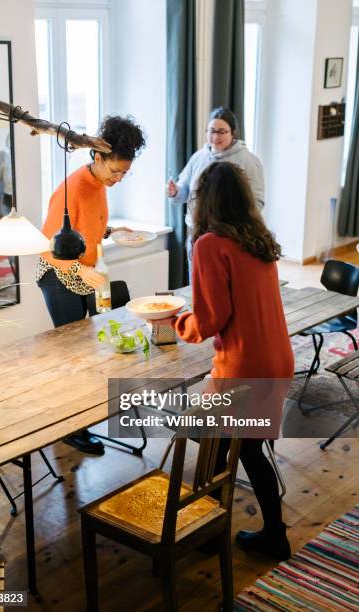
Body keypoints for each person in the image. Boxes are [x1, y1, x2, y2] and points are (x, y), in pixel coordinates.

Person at [155, 161, 294, 561]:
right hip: (277, 358)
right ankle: (258, 533)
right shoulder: (258, 238)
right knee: (243, 448)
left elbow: (212, 319)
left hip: (244, 365)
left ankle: (212, 530)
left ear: (205, 201)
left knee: (218, 440)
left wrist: (176, 320)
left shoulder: (210, 244)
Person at [37, 115, 146, 455]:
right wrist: (77, 270)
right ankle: (71, 428)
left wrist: (114, 232)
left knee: (94, 345)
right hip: (59, 274)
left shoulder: (99, 185)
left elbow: (90, 226)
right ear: (97, 157)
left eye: (125, 174)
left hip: (85, 272)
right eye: (115, 171)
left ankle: (83, 416)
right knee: (74, 354)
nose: (119, 178)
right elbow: (46, 244)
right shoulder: (71, 190)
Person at [167, 106, 264, 276]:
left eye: (221, 132)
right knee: (197, 280)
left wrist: (237, 224)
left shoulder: (248, 160)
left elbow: (257, 202)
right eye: (211, 131)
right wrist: (176, 191)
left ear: (233, 133)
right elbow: (185, 194)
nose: (215, 137)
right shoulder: (199, 157)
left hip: (230, 236)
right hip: (197, 232)